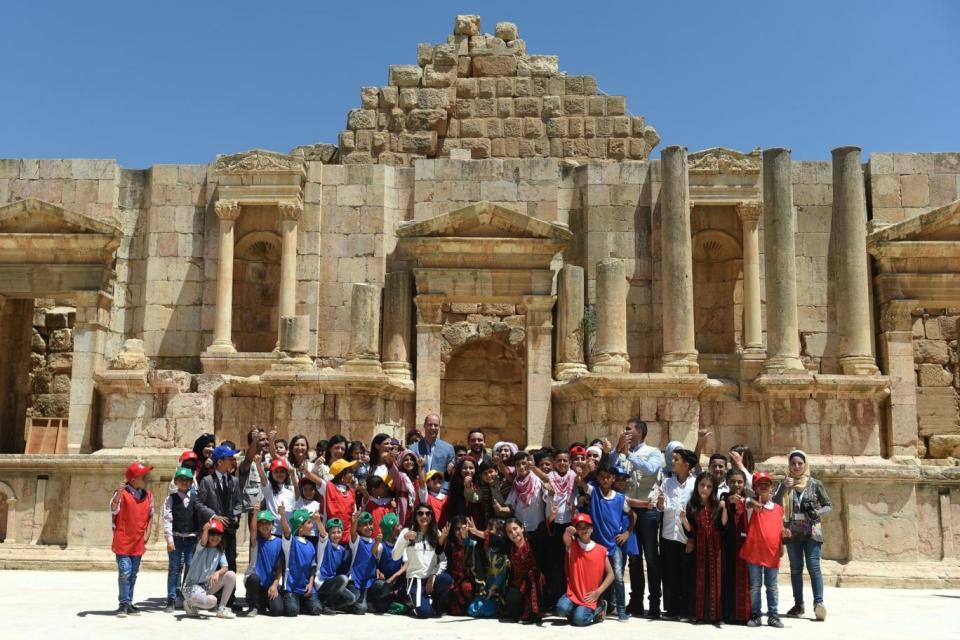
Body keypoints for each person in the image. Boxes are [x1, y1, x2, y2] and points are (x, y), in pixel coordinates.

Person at [614, 417, 664, 618]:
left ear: (639, 432)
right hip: (628, 510)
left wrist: (629, 455)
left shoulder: (652, 452)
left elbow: (651, 469)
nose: (625, 431)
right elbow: (610, 469)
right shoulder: (622, 452)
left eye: (628, 429)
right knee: (634, 558)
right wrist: (618, 451)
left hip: (648, 511)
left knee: (651, 558)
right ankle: (635, 603)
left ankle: (654, 604)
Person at [575, 461, 635, 622]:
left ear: (613, 478)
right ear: (599, 479)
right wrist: (586, 470)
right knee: (597, 577)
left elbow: (632, 515)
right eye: (602, 477)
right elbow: (580, 482)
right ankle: (598, 606)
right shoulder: (594, 492)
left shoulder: (620, 498)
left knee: (618, 577)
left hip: (614, 545)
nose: (605, 480)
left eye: (608, 477)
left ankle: (621, 610)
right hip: (597, 545)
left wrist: (627, 533)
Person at [776, 450, 831, 621]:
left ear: (805, 464)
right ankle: (798, 604)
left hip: (812, 531)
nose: (797, 466)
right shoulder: (784, 483)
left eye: (800, 463)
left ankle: (818, 603)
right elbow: (776, 503)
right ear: (789, 466)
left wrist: (817, 512)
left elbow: (828, 505)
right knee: (795, 569)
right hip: (792, 531)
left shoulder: (815, 484)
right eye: (793, 463)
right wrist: (785, 487)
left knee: (814, 567)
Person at [196, 444, 243, 610]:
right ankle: (210, 597)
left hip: (229, 531)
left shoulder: (234, 481)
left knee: (231, 562)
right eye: (230, 458)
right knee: (212, 565)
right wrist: (214, 516)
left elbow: (238, 503)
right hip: (214, 532)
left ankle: (230, 598)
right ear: (220, 461)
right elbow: (199, 503)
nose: (233, 460)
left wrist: (236, 515)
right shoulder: (207, 481)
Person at [531, 447, 576, 610]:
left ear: (569, 463)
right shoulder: (549, 479)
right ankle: (554, 598)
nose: (562, 463)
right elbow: (545, 486)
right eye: (559, 460)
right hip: (553, 525)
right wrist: (548, 491)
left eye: (565, 460)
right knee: (554, 563)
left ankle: (570, 596)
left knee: (569, 562)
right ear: (554, 463)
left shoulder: (573, 477)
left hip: (569, 525)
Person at [656, 447, 698, 620]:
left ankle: (686, 610)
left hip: (685, 535)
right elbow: (662, 507)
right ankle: (672, 609)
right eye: (671, 459)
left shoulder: (695, 484)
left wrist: (692, 538)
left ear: (686, 465)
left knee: (686, 573)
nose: (672, 462)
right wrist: (659, 503)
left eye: (676, 459)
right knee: (669, 573)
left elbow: (696, 511)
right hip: (668, 534)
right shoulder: (667, 483)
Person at [741, 471, 787, 628]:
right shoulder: (751, 506)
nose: (764, 485)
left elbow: (780, 530)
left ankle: (773, 615)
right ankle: (756, 615)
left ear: (771, 486)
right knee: (755, 586)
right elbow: (743, 501)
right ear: (754, 487)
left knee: (772, 587)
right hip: (754, 554)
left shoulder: (779, 509)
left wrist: (782, 546)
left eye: (766, 483)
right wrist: (751, 502)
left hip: (772, 554)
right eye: (760, 483)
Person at [110, 461, 154, 617]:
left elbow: (150, 516)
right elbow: (114, 510)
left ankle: (129, 602)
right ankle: (122, 604)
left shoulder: (148, 495)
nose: (147, 478)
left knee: (133, 574)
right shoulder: (121, 494)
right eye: (144, 476)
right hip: (123, 541)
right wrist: (119, 495)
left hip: (138, 542)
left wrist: (148, 533)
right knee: (125, 572)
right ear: (134, 479)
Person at [682, 471, 726, 625]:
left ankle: (716, 616)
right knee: (700, 580)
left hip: (715, 547)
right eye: (702, 485)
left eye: (708, 486)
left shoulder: (716, 505)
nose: (705, 489)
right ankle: (699, 615)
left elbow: (722, 525)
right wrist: (683, 519)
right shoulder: (691, 505)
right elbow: (690, 530)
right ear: (697, 486)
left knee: (716, 580)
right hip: (700, 547)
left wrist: (724, 508)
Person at [392, 503, 452, 618]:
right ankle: (412, 601)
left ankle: (435, 604)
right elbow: (395, 556)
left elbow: (443, 560)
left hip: (431, 578)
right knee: (424, 614)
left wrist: (433, 575)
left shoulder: (436, 533)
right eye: (420, 513)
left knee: (446, 579)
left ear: (431, 516)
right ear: (415, 516)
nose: (424, 516)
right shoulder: (406, 532)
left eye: (427, 513)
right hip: (416, 579)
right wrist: (404, 540)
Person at [555, 513, 615, 626]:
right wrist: (568, 531)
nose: (583, 530)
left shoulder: (601, 550)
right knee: (560, 609)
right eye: (580, 527)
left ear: (591, 528)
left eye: (586, 526)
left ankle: (600, 607)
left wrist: (598, 592)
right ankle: (578, 610)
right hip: (574, 594)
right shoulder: (572, 545)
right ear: (576, 531)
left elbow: (611, 574)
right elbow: (566, 538)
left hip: (590, 596)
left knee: (578, 620)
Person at [182, 519, 237, 618]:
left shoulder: (219, 551)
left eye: (218, 534)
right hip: (190, 587)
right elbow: (203, 541)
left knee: (231, 575)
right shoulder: (201, 548)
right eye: (212, 533)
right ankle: (190, 603)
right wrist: (206, 529)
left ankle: (221, 609)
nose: (215, 537)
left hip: (205, 586)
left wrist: (217, 573)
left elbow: (225, 567)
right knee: (212, 601)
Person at [163, 466, 200, 612]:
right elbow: (167, 519)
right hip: (177, 538)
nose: (184, 482)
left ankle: (186, 597)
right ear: (176, 482)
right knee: (174, 569)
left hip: (191, 539)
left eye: (187, 480)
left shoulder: (196, 498)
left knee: (191, 568)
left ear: (191, 482)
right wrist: (169, 540)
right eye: (181, 480)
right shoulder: (170, 499)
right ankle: (171, 598)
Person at [721, 468, 752, 624]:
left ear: (744, 483)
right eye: (732, 481)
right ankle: (728, 614)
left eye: (739, 482)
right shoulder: (723, 497)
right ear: (727, 482)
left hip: (745, 546)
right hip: (727, 545)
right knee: (728, 578)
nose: (736, 484)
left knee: (745, 579)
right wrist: (728, 503)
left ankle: (743, 614)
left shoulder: (749, 500)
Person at [280, 505, 323, 616]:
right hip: (292, 588)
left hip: (306, 587)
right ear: (300, 527)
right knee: (292, 611)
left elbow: (313, 567)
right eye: (309, 523)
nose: (312, 525)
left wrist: (310, 583)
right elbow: (286, 530)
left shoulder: (310, 545)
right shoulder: (291, 542)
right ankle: (293, 600)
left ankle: (303, 602)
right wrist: (282, 515)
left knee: (316, 610)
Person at [243, 506, 286, 617]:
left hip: (269, 585)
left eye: (267, 523)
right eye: (261, 523)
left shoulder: (279, 542)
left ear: (272, 524)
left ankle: (262, 603)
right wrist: (255, 513)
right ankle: (253, 606)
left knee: (278, 611)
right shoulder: (256, 541)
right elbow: (252, 531)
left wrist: (275, 585)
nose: (264, 526)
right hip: (255, 583)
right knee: (253, 578)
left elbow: (279, 567)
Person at [502, 517, 545, 623]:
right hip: (518, 584)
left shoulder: (532, 542)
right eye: (509, 532)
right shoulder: (509, 547)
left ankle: (535, 613)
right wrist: (476, 532)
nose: (513, 533)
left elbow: (542, 529)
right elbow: (494, 538)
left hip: (535, 583)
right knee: (512, 607)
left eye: (515, 529)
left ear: (522, 528)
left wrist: (551, 516)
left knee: (531, 578)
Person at [465, 517, 510, 618]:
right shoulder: (489, 547)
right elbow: (471, 545)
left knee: (485, 611)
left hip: (499, 587)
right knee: (472, 609)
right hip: (488, 584)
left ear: (499, 533)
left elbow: (503, 572)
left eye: (490, 529)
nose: (486, 532)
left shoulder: (504, 549)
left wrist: (493, 588)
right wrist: (466, 535)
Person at [315, 517, 358, 612]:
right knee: (343, 579)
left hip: (333, 584)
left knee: (351, 598)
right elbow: (323, 535)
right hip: (322, 583)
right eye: (333, 532)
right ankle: (327, 605)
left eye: (339, 532)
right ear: (329, 533)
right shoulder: (325, 545)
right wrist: (318, 521)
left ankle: (327, 605)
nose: (336, 535)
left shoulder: (342, 550)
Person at [370, 512, 408, 614]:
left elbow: (406, 564)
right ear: (391, 530)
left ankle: (393, 599)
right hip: (384, 582)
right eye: (397, 525)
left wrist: (394, 577)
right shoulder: (382, 546)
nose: (401, 527)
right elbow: (373, 554)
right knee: (381, 606)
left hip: (396, 580)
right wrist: (378, 570)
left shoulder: (401, 544)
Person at [347, 511, 380, 613]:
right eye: (365, 524)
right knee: (361, 609)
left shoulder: (375, 542)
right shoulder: (357, 541)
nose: (369, 526)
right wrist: (355, 520)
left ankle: (366, 601)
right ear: (358, 527)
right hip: (356, 581)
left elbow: (375, 559)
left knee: (383, 587)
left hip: (368, 581)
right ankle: (344, 606)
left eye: (370, 523)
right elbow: (352, 533)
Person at [257, 457, 296, 535]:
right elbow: (262, 476)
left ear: (286, 474)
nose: (279, 474)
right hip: (273, 532)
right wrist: (258, 464)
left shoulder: (291, 490)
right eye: (276, 472)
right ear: (271, 474)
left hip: (288, 532)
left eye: (282, 471)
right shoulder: (269, 488)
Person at [413, 413, 456, 482]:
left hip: (440, 491)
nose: (433, 427)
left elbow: (450, 474)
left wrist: (443, 491)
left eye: (436, 425)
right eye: (430, 425)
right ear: (424, 426)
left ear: (439, 427)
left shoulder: (448, 449)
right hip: (419, 490)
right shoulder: (413, 448)